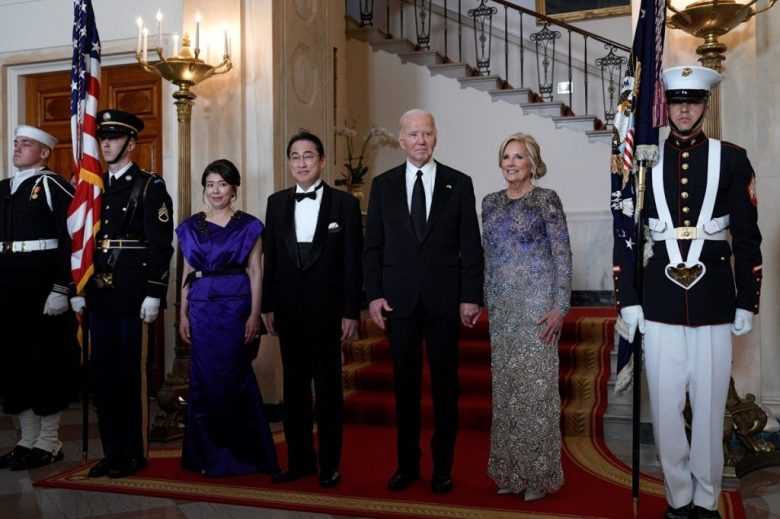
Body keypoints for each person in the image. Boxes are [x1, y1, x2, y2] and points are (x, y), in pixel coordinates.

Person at [614, 66, 762, 519]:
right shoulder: (644, 159)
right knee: (665, 404)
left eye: (692, 101)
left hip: (714, 301)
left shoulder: (732, 158)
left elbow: (748, 236)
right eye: (676, 102)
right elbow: (627, 235)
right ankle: (678, 496)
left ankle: (706, 496)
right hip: (658, 302)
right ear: (667, 106)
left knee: (711, 405)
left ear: (704, 106)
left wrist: (747, 299)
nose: (683, 109)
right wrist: (629, 298)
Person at [363, 109, 484, 494]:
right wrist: (374, 295)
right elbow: (373, 247)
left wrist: (470, 297)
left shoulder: (459, 183)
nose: (420, 140)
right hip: (399, 303)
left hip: (445, 302)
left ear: (435, 138)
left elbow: (471, 245)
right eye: (413, 134)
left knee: (446, 389)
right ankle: (407, 464)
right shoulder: (382, 186)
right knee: (405, 388)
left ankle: (442, 467)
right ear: (400, 141)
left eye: (427, 133)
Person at [262, 131, 363, 488]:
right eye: (295, 157)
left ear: (322, 160)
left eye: (308, 156)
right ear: (288, 163)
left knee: (329, 391)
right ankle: (300, 461)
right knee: (294, 392)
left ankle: (330, 465)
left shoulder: (345, 205)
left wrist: (351, 312)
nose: (302, 163)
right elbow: (270, 259)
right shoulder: (275, 204)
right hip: (288, 312)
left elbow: (353, 263)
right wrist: (267, 306)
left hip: (329, 313)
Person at [76, 109, 174, 479]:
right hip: (100, 293)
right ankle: (111, 451)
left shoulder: (150, 186)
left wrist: (154, 293)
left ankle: (133, 452)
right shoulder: (93, 186)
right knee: (103, 377)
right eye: (103, 138)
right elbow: (82, 240)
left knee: (131, 375)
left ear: (131, 144)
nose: (106, 143)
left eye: (114, 138)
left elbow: (161, 245)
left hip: (134, 294)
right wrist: (78, 287)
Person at [481, 132, 571, 501]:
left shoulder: (546, 200)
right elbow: (488, 256)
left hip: (537, 311)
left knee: (536, 395)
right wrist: (485, 300)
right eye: (506, 157)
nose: (511, 163)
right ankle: (510, 472)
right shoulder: (489, 203)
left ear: (533, 162)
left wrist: (560, 307)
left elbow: (563, 255)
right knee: (506, 394)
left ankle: (538, 475)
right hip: (503, 312)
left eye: (519, 157)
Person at [177, 159, 278, 477]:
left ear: (234, 188)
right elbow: (187, 272)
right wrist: (182, 314)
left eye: (222, 183)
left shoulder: (249, 225)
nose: (215, 190)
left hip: (236, 307)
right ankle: (205, 454)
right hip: (202, 308)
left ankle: (245, 453)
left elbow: (256, 272)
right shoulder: (190, 226)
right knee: (204, 381)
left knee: (235, 379)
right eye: (209, 184)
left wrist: (254, 315)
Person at [0, 125, 79, 471]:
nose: (17, 149)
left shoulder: (52, 184)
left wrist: (62, 288)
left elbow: (71, 237)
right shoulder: (5, 188)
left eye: (26, 144)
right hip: (9, 284)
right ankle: (25, 439)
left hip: (42, 285)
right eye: (16, 144)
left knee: (45, 361)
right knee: (14, 362)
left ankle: (49, 441)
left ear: (44, 152)